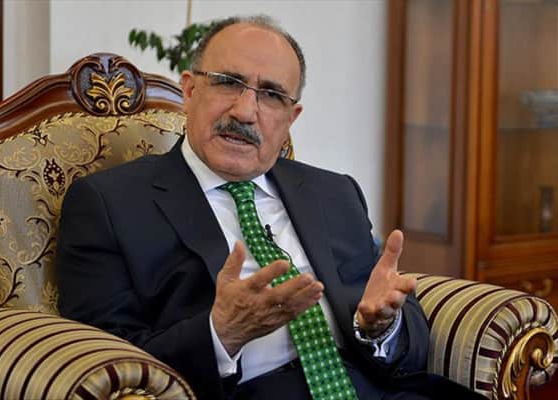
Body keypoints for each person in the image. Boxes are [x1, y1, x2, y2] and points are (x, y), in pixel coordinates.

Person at [56, 15, 485, 400]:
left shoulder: (334, 192)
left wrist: (381, 328)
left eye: (272, 94)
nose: (245, 111)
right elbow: (105, 360)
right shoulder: (109, 203)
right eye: (228, 82)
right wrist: (221, 334)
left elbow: (398, 322)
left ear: (291, 118)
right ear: (189, 89)